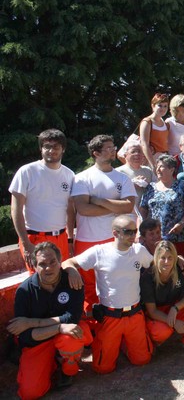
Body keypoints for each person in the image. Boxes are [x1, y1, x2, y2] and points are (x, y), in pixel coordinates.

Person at [63, 215, 153, 373]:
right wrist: (72, 271)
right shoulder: (99, 252)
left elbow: (157, 263)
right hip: (110, 317)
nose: (133, 236)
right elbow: (67, 262)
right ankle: (119, 344)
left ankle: (125, 344)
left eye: (135, 231)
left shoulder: (139, 250)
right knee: (102, 369)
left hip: (134, 314)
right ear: (115, 233)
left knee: (143, 360)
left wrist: (178, 258)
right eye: (128, 232)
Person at [10, 243, 92, 399]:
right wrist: (59, 328)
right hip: (38, 340)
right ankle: (51, 362)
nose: (48, 268)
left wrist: (30, 322)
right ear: (33, 266)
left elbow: (72, 318)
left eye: (52, 262)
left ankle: (67, 370)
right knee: (30, 393)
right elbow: (24, 334)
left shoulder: (73, 279)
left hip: (64, 333)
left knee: (72, 336)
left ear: (60, 261)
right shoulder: (24, 291)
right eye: (42, 264)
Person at [71, 135, 137, 311]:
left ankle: (113, 319)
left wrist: (99, 201)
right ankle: (92, 322)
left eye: (113, 147)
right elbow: (83, 209)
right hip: (87, 238)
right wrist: (116, 207)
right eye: (108, 148)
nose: (113, 150)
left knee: (114, 282)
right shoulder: (82, 178)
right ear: (95, 153)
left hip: (114, 239)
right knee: (89, 287)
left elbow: (129, 205)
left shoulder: (122, 178)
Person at [10, 129, 75, 272]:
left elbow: (70, 210)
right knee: (39, 280)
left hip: (61, 237)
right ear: (41, 148)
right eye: (47, 146)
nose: (51, 150)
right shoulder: (27, 171)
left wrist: (70, 239)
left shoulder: (69, 175)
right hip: (34, 237)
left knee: (61, 278)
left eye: (56, 147)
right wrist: (26, 243)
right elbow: (16, 210)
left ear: (63, 149)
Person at [140, 241, 184, 357]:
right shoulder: (148, 277)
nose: (167, 262)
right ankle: (154, 343)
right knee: (161, 331)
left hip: (174, 307)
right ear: (156, 258)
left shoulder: (181, 269)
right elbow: (152, 311)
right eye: (162, 258)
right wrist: (174, 322)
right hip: (157, 313)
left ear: (175, 258)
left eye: (170, 258)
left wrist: (175, 308)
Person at [139, 155, 184, 270]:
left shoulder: (182, 187)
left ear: (172, 169)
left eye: (161, 167)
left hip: (178, 238)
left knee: (180, 271)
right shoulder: (151, 188)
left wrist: (182, 223)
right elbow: (143, 209)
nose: (157, 170)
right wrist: (143, 230)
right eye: (157, 167)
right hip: (155, 240)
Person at [137, 93, 170, 170]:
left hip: (163, 159)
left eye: (165, 106)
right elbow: (144, 144)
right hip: (151, 160)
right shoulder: (147, 122)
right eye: (160, 105)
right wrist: (153, 164)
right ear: (153, 106)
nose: (163, 108)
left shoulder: (165, 124)